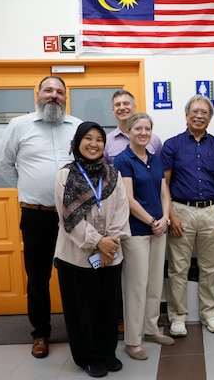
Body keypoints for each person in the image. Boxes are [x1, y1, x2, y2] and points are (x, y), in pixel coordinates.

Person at [0, 76, 82, 359]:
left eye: (59, 91)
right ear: (38, 94)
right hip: (37, 216)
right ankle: (40, 333)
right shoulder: (19, 126)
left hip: (73, 217)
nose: (54, 96)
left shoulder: (77, 126)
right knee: (37, 277)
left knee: (75, 274)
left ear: (66, 97)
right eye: (49, 90)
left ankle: (79, 329)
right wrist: (29, 189)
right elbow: (4, 165)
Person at [53, 122, 130, 377]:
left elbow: (122, 210)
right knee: (82, 309)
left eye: (99, 139)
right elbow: (68, 219)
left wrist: (111, 244)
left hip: (110, 254)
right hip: (75, 257)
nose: (94, 144)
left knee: (108, 308)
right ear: (78, 143)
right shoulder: (65, 175)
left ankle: (107, 352)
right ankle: (88, 356)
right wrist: (99, 242)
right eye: (88, 138)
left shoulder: (113, 175)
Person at [161, 94, 214, 336]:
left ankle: (210, 313)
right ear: (186, 115)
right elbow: (165, 183)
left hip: (212, 212)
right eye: (195, 111)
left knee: (211, 267)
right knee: (178, 267)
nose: (199, 115)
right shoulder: (172, 145)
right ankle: (178, 317)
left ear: (210, 118)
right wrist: (171, 215)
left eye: (204, 112)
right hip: (180, 210)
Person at [114, 113, 175, 361]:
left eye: (147, 128)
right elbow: (128, 199)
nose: (143, 132)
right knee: (136, 286)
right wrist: (151, 221)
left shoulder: (155, 159)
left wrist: (165, 219)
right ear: (129, 131)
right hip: (137, 231)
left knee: (154, 284)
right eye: (138, 128)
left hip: (159, 229)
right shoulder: (123, 160)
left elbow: (164, 193)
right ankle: (133, 340)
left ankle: (151, 329)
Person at [104, 90, 163, 167]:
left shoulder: (154, 140)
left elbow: (160, 168)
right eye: (118, 105)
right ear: (113, 111)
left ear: (134, 107)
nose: (122, 108)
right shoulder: (107, 141)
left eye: (126, 103)